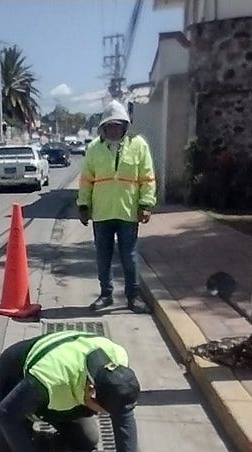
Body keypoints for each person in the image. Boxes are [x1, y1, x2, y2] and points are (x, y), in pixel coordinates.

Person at [0, 330, 170, 452]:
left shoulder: (118, 363)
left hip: (65, 387)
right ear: (92, 393)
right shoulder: (50, 379)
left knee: (86, 441)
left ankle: (34, 435)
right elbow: (6, 414)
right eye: (104, 410)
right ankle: (27, 429)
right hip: (15, 375)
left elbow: (124, 418)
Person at [77, 100, 157, 313]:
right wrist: (84, 205)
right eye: (109, 125)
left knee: (129, 257)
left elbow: (147, 178)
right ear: (103, 127)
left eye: (117, 125)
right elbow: (86, 179)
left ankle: (133, 297)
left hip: (127, 212)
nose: (113, 129)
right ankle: (106, 295)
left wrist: (146, 204)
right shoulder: (94, 148)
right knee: (103, 257)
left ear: (124, 126)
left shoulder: (139, 145)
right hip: (102, 213)